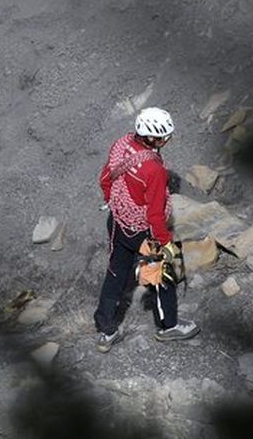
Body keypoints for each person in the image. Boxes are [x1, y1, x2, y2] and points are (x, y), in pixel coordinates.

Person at [93, 106, 199, 352]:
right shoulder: (154, 170)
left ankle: (106, 330)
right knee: (162, 273)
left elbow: (105, 178)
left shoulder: (122, 144)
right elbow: (154, 214)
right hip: (142, 232)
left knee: (116, 273)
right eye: (164, 137)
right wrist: (164, 242)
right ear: (153, 137)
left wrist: (118, 203)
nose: (167, 140)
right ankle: (168, 326)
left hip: (119, 222)